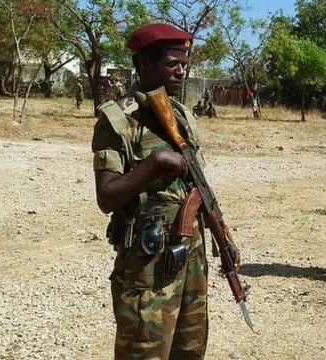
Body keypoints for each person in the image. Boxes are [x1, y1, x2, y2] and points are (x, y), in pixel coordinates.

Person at [91, 23, 241, 359]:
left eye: (184, 65)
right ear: (144, 64)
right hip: (148, 263)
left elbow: (199, 186)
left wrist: (224, 237)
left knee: (190, 348)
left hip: (191, 255)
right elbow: (107, 196)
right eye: (173, 64)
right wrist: (154, 161)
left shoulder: (183, 115)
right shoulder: (117, 121)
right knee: (144, 350)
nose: (181, 72)